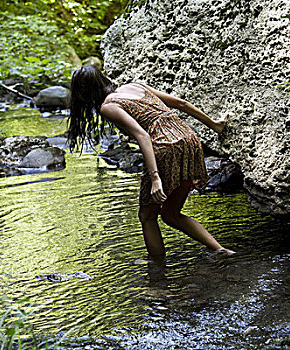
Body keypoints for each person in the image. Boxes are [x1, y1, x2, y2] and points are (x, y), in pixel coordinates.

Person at [67, 65, 235, 265]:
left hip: (164, 148)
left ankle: (156, 268)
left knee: (147, 216)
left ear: (85, 94)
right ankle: (220, 250)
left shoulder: (108, 106)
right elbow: (181, 104)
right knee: (170, 214)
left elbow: (143, 136)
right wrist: (214, 125)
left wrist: (155, 178)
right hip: (189, 140)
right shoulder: (135, 86)